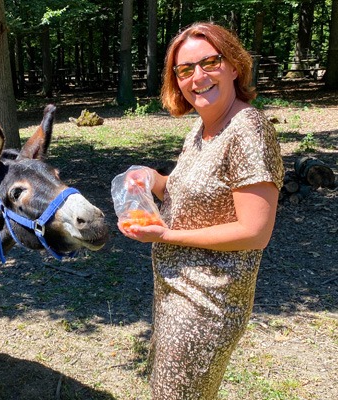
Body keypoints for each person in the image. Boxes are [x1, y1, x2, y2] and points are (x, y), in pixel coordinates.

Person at [117, 22, 284, 399]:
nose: (198, 77)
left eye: (210, 62)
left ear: (235, 65)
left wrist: (166, 235)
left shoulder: (248, 129)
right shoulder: (202, 129)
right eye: (185, 69)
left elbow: (255, 231)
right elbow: (181, 189)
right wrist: (150, 177)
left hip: (209, 303)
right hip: (176, 290)